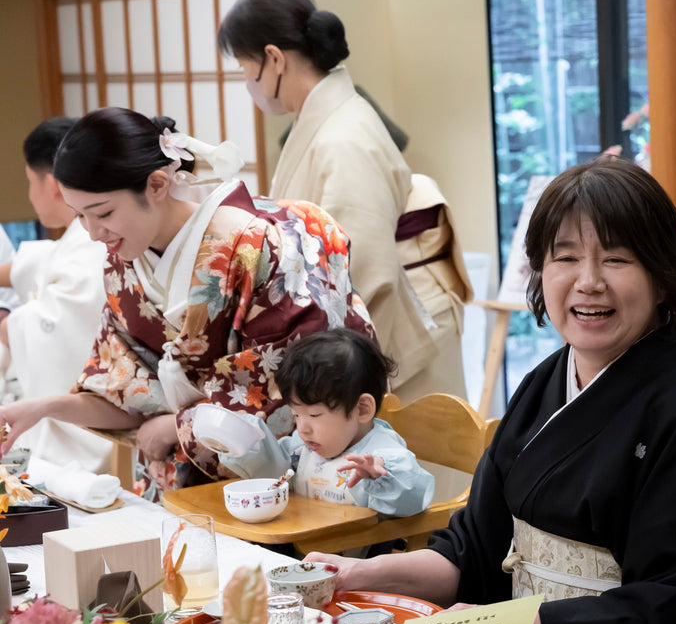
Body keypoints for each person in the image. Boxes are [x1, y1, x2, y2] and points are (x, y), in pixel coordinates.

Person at [307, 158, 676, 624]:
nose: (588, 281)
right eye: (565, 257)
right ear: (540, 271)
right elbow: (473, 551)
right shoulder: (543, 385)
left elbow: (667, 610)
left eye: (616, 258)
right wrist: (358, 574)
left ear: (662, 278)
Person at [0, 107, 374, 501]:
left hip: (286, 481)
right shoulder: (123, 263)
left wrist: (179, 427)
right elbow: (127, 396)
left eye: (104, 213)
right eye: (80, 217)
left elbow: (292, 389)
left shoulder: (255, 245)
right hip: (181, 486)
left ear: (158, 184)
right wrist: (41, 408)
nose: (93, 234)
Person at [218, 0, 473, 401]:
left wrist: (328, 367)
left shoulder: (344, 136)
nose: (249, 85)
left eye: (247, 72)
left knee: (417, 460)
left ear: (274, 59)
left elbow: (363, 266)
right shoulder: (320, 122)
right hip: (350, 318)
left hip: (388, 327)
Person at [217, 328, 434, 517]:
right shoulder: (302, 449)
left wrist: (380, 478)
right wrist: (243, 442)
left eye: (314, 415)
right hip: (306, 552)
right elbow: (276, 469)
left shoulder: (382, 457)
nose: (302, 428)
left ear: (362, 409)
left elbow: (413, 497)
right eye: (296, 415)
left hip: (359, 560)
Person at [0, 117, 111, 471]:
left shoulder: (91, 238)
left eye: (30, 182)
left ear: (50, 184)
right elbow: (34, 264)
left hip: (96, 423)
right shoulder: (77, 237)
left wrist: (8, 321)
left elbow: (54, 330)